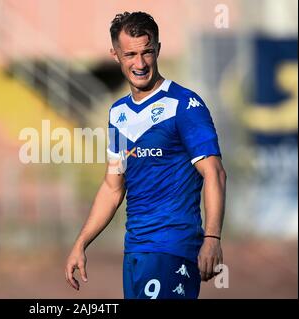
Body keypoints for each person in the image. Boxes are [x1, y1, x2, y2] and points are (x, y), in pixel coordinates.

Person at [64, 11, 227, 299]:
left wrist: (212, 238)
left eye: (147, 52)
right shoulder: (118, 113)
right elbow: (113, 187)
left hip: (172, 247)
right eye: (130, 54)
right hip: (136, 250)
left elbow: (214, 172)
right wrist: (81, 243)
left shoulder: (185, 105)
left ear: (158, 50)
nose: (140, 63)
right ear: (115, 55)